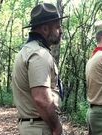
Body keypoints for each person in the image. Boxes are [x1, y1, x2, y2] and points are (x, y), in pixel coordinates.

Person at [12, 3, 67, 135]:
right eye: (57, 27)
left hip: (35, 126)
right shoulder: (39, 55)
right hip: (40, 128)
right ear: (45, 29)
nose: (61, 31)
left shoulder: (27, 50)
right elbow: (41, 99)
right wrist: (57, 127)